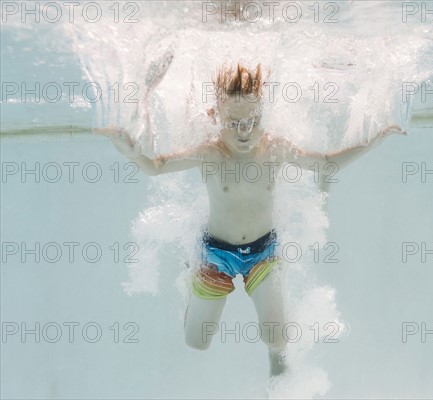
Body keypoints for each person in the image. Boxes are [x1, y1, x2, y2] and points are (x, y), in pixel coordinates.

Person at [95, 54, 406, 377]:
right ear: (217, 117)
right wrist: (128, 147)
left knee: (277, 337)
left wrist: (372, 141)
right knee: (197, 342)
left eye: (252, 122)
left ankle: (276, 360)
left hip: (263, 252)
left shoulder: (275, 149)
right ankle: (193, 287)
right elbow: (154, 166)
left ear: (263, 116)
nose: (243, 133)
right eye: (233, 124)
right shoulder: (211, 153)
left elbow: (326, 163)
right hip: (215, 255)